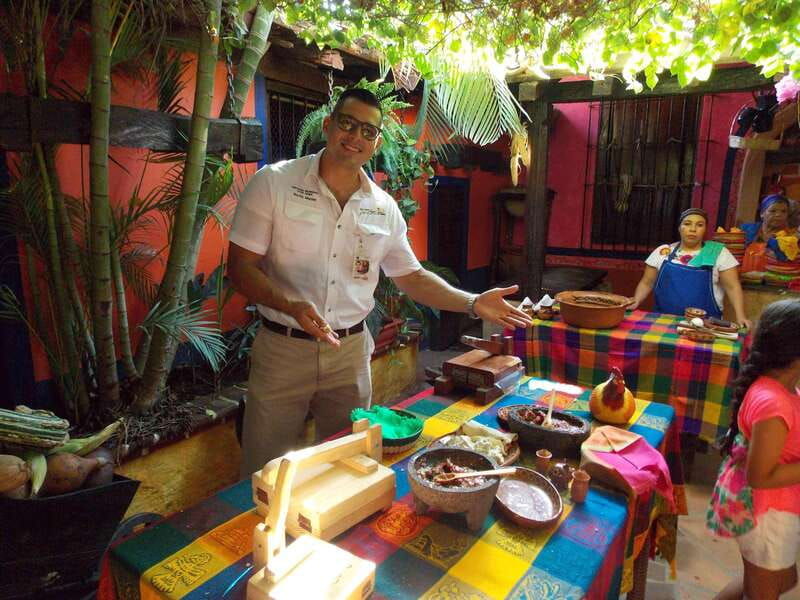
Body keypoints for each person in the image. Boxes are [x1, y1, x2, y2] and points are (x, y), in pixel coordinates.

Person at [227, 88, 530, 476]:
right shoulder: (275, 183)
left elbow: (412, 277)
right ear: (328, 125)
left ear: (376, 143)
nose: (355, 137)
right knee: (267, 468)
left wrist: (472, 303)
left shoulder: (382, 207)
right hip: (284, 350)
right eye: (347, 124)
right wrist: (291, 306)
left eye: (367, 131)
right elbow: (241, 267)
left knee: (349, 464)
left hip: (350, 354)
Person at [707, 299, 800, 600]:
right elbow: (759, 476)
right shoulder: (774, 403)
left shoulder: (782, 386)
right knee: (765, 590)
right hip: (768, 515)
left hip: (772, 511)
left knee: (782, 580)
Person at [628, 207, 751, 328]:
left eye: (699, 225)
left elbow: (732, 287)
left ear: (705, 229)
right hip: (663, 322)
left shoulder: (719, 253)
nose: (693, 229)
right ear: (679, 228)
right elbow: (647, 282)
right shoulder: (663, 252)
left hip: (705, 326)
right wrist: (637, 300)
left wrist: (740, 316)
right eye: (687, 224)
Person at [740, 194, 799, 267]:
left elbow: (788, 264)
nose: (778, 215)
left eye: (784, 211)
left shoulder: (789, 240)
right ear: (762, 214)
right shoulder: (746, 229)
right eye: (773, 211)